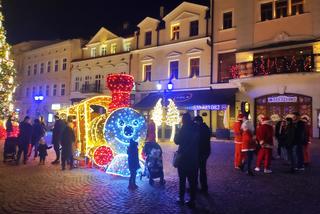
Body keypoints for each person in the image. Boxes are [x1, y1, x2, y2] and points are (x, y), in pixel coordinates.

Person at [174, 113, 199, 209]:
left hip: (184, 158)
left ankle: (181, 198)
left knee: (182, 179)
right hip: (194, 157)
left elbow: (177, 141)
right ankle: (192, 200)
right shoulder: (196, 128)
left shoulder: (183, 128)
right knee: (192, 180)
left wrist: (177, 131)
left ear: (184, 120)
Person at [143, 120, 165, 186]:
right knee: (159, 167)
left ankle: (151, 178)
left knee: (150, 166)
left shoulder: (147, 142)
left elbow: (144, 151)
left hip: (150, 156)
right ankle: (161, 178)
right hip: (157, 157)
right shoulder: (156, 144)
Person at [193, 115, 211, 194]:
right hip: (205, 151)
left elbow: (199, 141)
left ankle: (198, 186)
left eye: (195, 122)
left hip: (201, 152)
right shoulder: (206, 128)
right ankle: (204, 187)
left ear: (198, 122)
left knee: (198, 170)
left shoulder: (200, 129)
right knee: (202, 170)